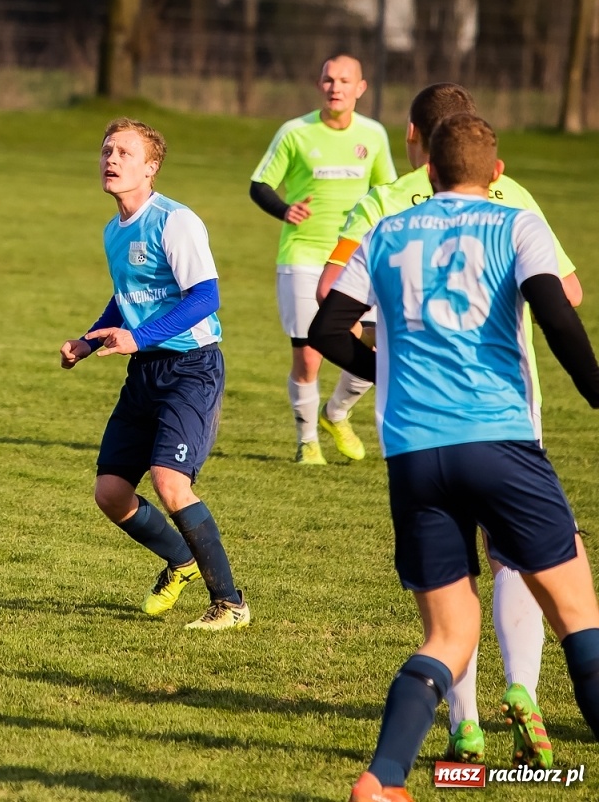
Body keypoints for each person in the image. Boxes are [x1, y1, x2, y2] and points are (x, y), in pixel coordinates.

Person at [309, 114, 599, 802]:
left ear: (428, 173)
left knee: (448, 634)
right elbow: (556, 313)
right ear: (495, 173)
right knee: (578, 616)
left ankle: (382, 780)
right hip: (498, 441)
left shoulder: (385, 231)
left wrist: (385, 373)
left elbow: (325, 325)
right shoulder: (513, 221)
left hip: (414, 453)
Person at [61, 119, 249, 631]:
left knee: (170, 482)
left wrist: (139, 338)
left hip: (191, 368)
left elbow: (206, 298)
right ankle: (181, 561)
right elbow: (125, 299)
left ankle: (230, 603)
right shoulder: (113, 230)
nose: (111, 159)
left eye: (124, 152)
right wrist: (89, 338)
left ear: (151, 168)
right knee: (110, 494)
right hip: (145, 371)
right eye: (106, 150)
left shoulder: (176, 221)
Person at [249, 53, 396, 464]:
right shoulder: (295, 132)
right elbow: (259, 183)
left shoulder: (375, 135)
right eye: (329, 80)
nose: (336, 87)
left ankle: (337, 412)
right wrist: (285, 209)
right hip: (303, 255)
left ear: (360, 88)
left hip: (357, 257)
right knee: (308, 354)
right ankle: (308, 440)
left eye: (345, 81)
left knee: (380, 342)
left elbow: (387, 194)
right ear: (319, 85)